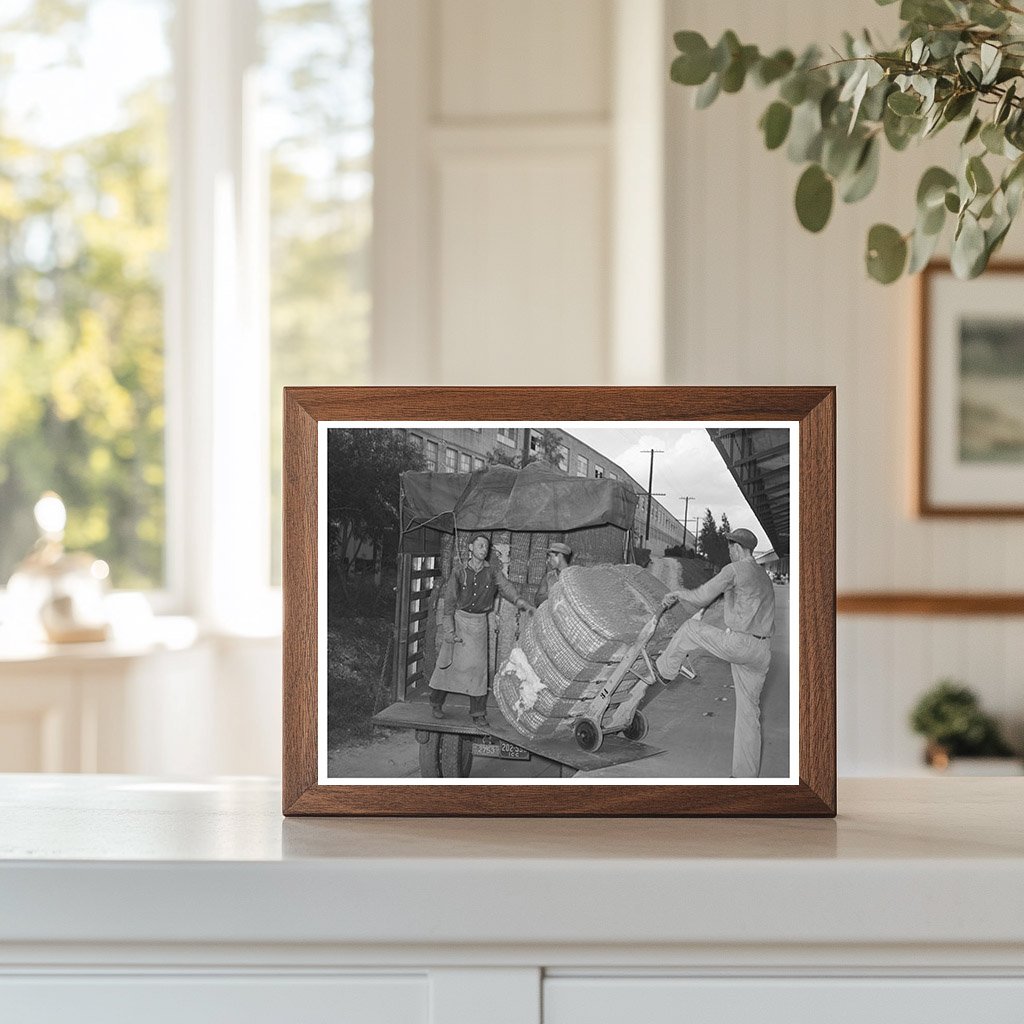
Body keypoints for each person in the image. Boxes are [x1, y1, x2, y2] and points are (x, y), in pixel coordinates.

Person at [655, 527, 775, 778]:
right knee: (749, 715)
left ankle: (665, 670)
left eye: (730, 547)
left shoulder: (734, 570)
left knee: (690, 629)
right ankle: (744, 777)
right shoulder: (763, 575)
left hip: (741, 645)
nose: (729, 551)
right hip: (762, 651)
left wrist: (677, 593)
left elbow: (701, 597)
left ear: (738, 548)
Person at [429, 533, 534, 729]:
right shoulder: (459, 572)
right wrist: (449, 630)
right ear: (470, 548)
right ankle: (436, 704)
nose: (483, 549)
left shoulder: (493, 572)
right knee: (447, 666)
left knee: (478, 670)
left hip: (478, 625)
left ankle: (478, 713)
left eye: (486, 546)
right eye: (479, 545)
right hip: (459, 620)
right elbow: (450, 603)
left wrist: (521, 602)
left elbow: (506, 587)